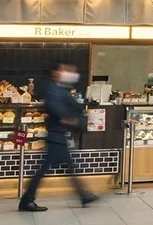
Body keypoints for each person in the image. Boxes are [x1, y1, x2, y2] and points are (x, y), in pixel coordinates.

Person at [22, 62, 98, 212]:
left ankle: (84, 195)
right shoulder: (53, 89)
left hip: (58, 135)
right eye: (66, 70)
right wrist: (75, 121)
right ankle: (27, 200)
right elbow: (59, 111)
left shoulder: (61, 88)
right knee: (44, 170)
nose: (70, 73)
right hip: (55, 136)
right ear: (55, 72)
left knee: (67, 167)